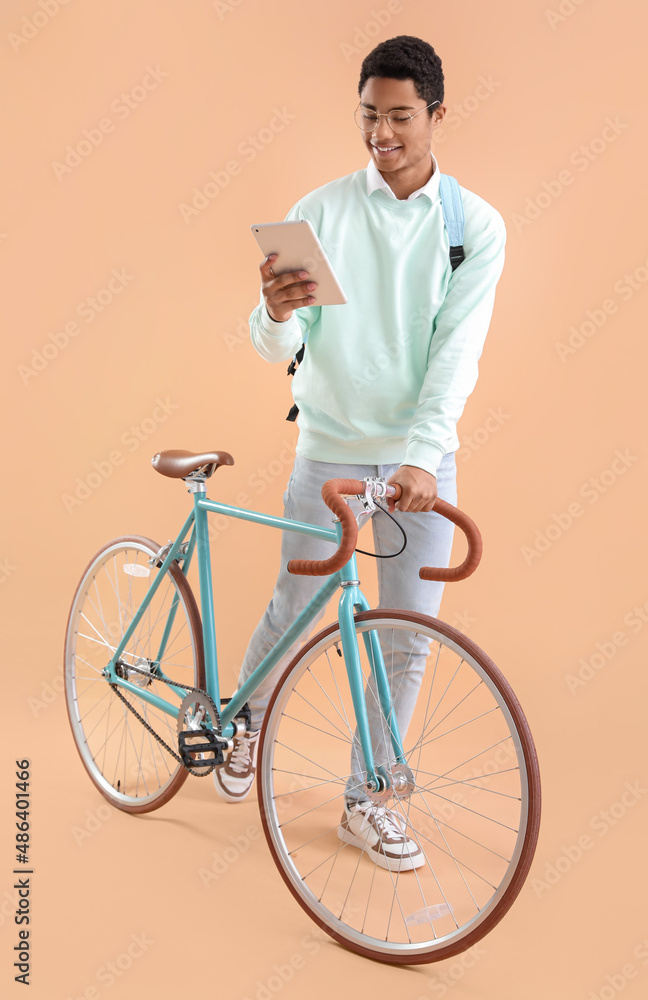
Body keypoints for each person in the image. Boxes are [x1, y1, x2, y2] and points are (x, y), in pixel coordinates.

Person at [214, 34, 507, 870]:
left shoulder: (472, 227)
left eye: (401, 117)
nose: (383, 133)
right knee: (294, 608)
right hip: (330, 452)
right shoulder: (318, 215)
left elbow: (458, 351)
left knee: (409, 635)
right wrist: (271, 311)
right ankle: (245, 722)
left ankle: (367, 799)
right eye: (370, 116)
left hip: (421, 463)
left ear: (438, 116)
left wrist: (420, 457)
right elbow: (281, 349)